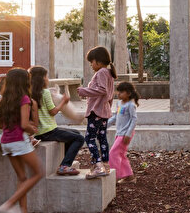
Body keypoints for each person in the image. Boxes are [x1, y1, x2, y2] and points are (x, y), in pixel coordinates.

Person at [0, 67, 43, 213]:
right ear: (24, 82)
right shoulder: (24, 99)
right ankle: (8, 205)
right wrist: (32, 129)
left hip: (6, 142)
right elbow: (23, 124)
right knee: (38, 173)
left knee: (22, 178)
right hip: (19, 141)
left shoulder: (3, 99)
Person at [29, 65, 86, 176]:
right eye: (46, 76)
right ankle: (65, 166)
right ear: (42, 79)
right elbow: (53, 112)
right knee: (79, 138)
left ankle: (64, 161)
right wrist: (63, 102)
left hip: (39, 132)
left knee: (75, 133)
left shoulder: (30, 93)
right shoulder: (45, 93)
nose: (48, 79)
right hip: (48, 131)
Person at [78, 46, 116, 179]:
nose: (91, 65)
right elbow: (109, 95)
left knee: (89, 138)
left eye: (91, 62)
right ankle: (105, 165)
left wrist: (83, 91)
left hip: (96, 112)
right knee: (102, 138)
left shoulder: (101, 73)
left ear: (98, 62)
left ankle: (98, 166)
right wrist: (107, 108)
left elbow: (102, 90)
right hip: (104, 112)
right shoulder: (109, 74)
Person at [108, 81, 139, 183]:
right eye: (118, 92)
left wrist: (128, 134)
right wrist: (104, 126)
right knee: (121, 154)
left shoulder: (131, 105)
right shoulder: (119, 103)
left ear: (128, 93)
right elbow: (115, 117)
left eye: (121, 92)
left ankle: (115, 176)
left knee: (113, 153)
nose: (118, 94)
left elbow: (134, 120)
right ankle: (129, 176)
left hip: (125, 134)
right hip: (120, 133)